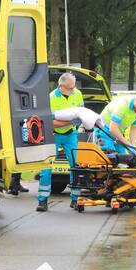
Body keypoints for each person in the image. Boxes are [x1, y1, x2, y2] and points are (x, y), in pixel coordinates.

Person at [37, 72, 84, 212]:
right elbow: (50, 124)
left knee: (76, 166)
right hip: (53, 135)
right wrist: (69, 122)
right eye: (70, 88)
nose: (72, 90)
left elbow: (81, 115)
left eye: (73, 87)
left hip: (71, 134)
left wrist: (65, 122)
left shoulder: (78, 94)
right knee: (46, 167)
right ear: (61, 86)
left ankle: (76, 199)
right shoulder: (51, 98)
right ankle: (42, 200)